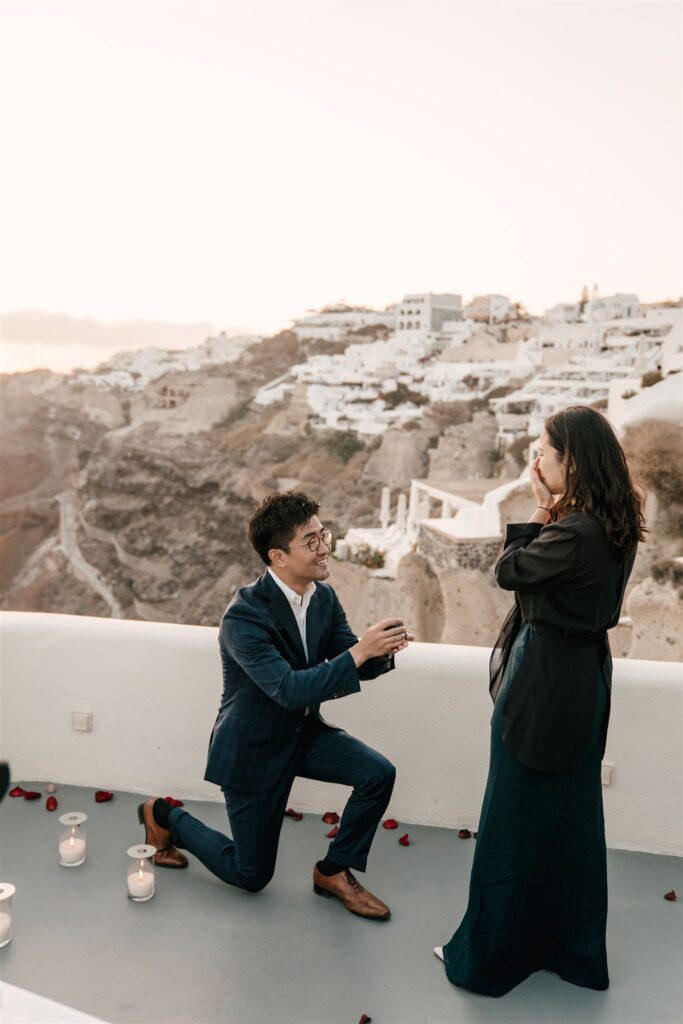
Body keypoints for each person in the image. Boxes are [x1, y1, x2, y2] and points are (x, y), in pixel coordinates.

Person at [435, 406, 645, 995]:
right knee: (569, 818)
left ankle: (488, 958)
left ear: (570, 461)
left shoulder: (574, 530)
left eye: (545, 454)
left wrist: (539, 507)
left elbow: (508, 571)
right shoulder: (617, 520)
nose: (537, 462)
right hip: (585, 679)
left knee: (511, 817)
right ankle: (568, 950)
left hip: (545, 681)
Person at [138, 490, 413, 920]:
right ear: (278, 556)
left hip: (302, 733)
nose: (325, 547)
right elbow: (288, 689)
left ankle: (333, 871)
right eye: (311, 541)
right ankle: (163, 816)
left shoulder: (324, 597)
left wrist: (382, 650)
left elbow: (349, 659)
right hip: (253, 749)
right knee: (251, 876)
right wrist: (360, 653)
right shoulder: (243, 617)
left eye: (324, 534)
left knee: (378, 773)